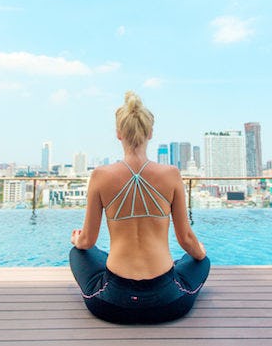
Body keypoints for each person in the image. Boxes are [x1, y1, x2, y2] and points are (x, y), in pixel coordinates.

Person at [69, 91, 210, 324]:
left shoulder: (100, 176)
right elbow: (185, 238)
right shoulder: (171, 175)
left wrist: (77, 240)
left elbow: (88, 242)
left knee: (79, 253)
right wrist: (199, 253)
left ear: (118, 133)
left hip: (112, 304)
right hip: (168, 302)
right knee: (201, 260)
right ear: (150, 133)